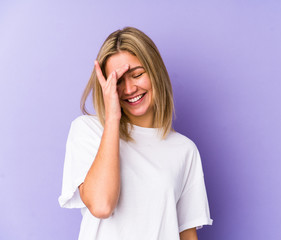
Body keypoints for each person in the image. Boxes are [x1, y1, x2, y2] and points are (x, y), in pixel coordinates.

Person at [58, 27, 213, 240]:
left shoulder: (185, 150)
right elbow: (102, 205)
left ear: (155, 73)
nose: (129, 88)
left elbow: (186, 234)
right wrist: (112, 118)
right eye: (118, 81)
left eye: (137, 75)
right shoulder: (88, 130)